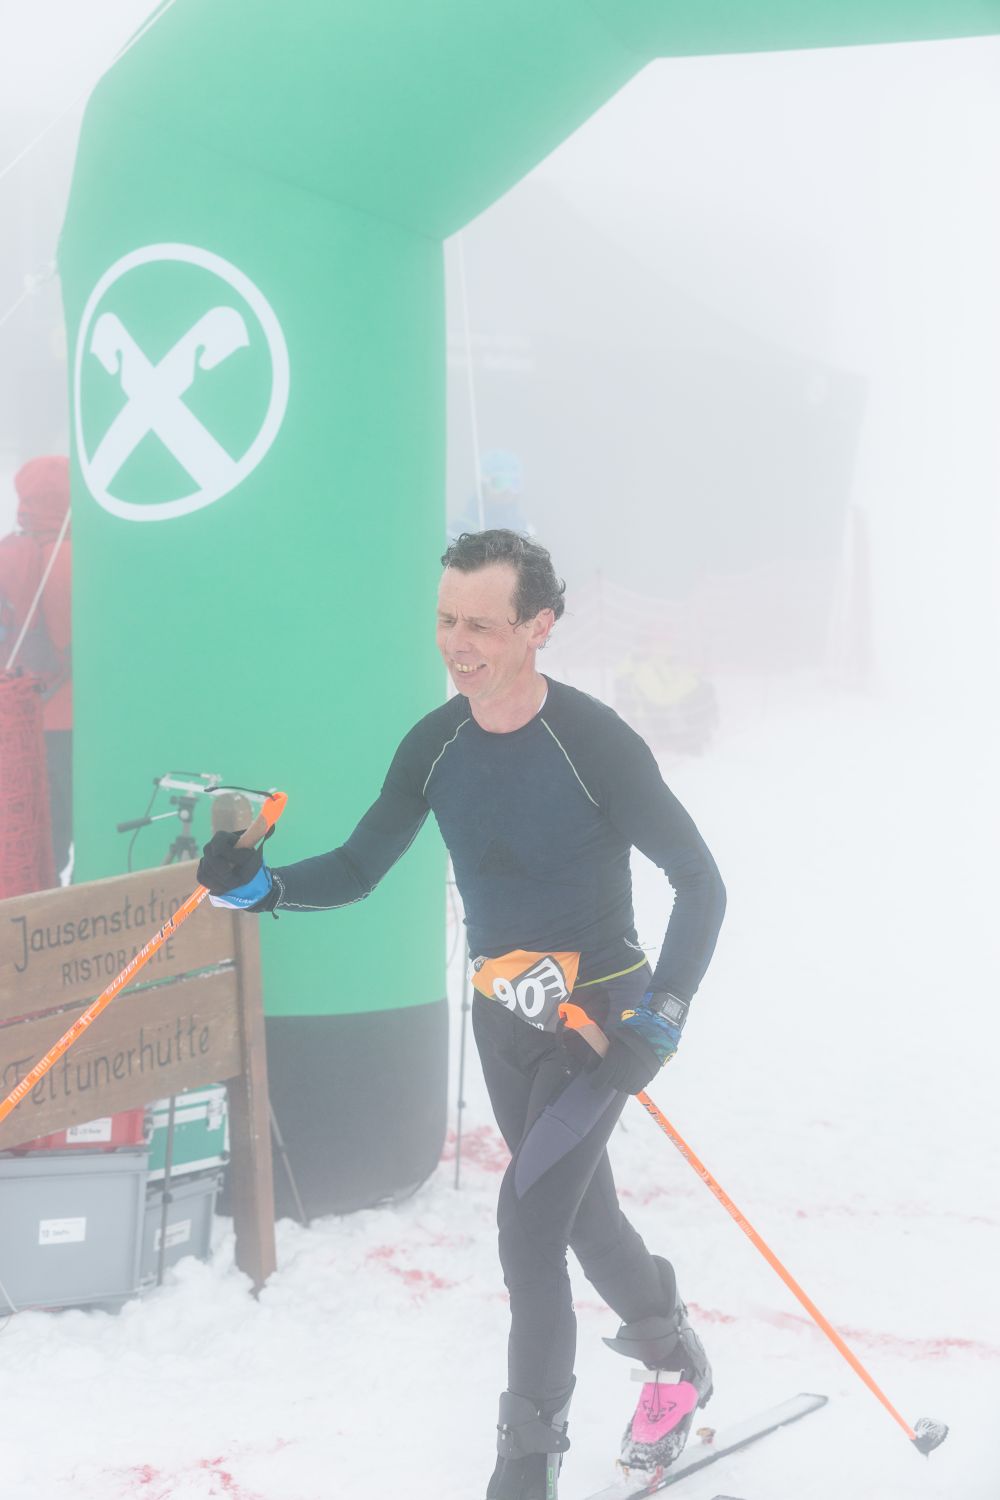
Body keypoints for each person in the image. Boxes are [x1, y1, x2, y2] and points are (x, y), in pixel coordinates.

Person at [198, 530, 726, 1500]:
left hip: (596, 1021)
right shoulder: (435, 744)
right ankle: (673, 1355)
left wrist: (661, 1018)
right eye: (446, 620)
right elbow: (358, 867)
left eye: (482, 625)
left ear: (538, 626)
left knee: (527, 1226)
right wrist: (259, 886)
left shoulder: (594, 741)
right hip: (503, 1016)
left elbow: (700, 882)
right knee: (581, 1216)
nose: (458, 643)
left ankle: (525, 1464)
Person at [0, 456, 72, 879]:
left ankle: (35, 908)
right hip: (70, 716)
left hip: (20, 713)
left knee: (35, 831)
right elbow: (71, 639)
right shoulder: (71, 556)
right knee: (76, 818)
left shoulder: (7, 551)